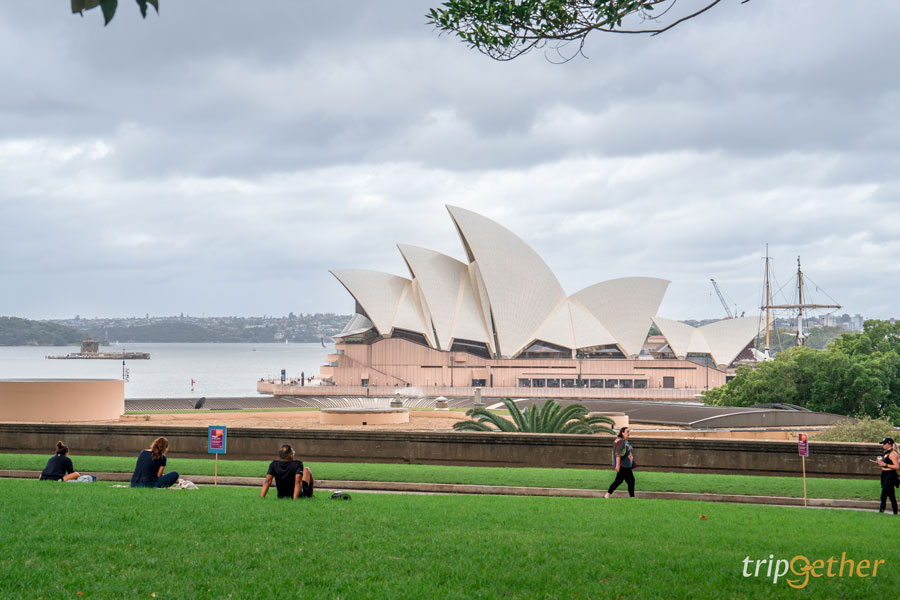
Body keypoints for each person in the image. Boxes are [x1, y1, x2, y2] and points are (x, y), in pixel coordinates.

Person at [605, 426, 635, 498]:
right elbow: (618, 454)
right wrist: (617, 465)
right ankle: (632, 497)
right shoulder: (621, 442)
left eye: (629, 431)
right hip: (623, 465)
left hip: (626, 465)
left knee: (619, 481)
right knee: (630, 480)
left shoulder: (625, 441)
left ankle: (607, 495)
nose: (629, 433)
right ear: (622, 433)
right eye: (627, 432)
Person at [876, 436, 899, 514]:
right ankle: (895, 512)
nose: (883, 445)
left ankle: (881, 511)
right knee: (891, 495)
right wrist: (880, 464)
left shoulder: (893, 454)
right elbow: (885, 464)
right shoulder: (886, 453)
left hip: (890, 475)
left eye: (884, 444)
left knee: (884, 494)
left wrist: (885, 465)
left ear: (889, 444)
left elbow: (896, 466)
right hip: (885, 474)